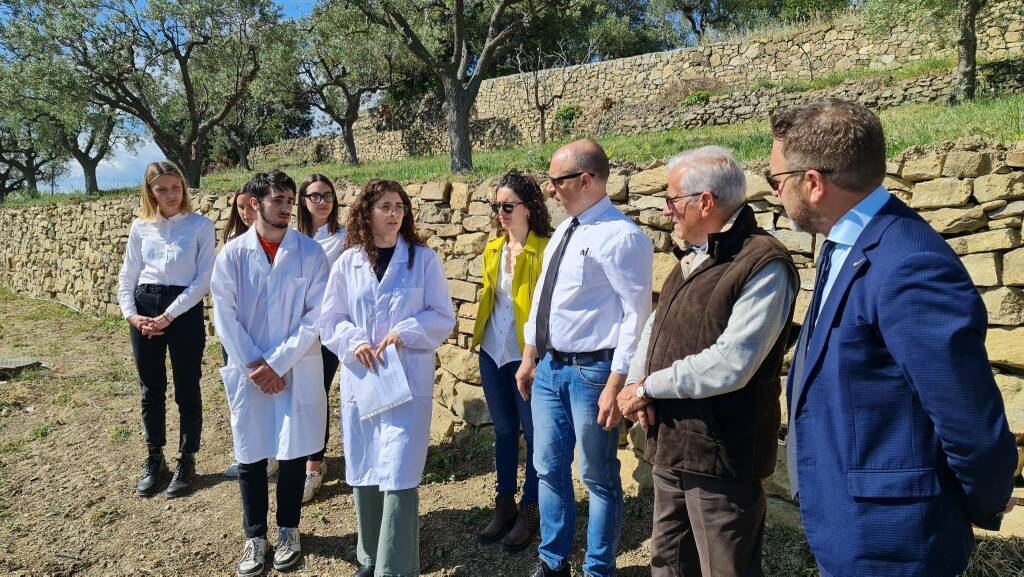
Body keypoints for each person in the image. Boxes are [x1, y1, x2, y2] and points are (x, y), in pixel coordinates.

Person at [771, 100, 1018, 577]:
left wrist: (978, 501)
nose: (776, 194)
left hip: (895, 540)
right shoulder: (847, 244)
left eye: (777, 181)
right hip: (851, 523)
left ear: (814, 184)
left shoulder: (909, 265)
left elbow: (968, 418)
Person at [615, 147, 797, 577]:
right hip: (673, 446)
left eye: (673, 199)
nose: (665, 210)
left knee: (724, 568)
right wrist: (637, 381)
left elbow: (732, 363)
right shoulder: (692, 257)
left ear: (706, 202)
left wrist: (646, 388)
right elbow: (654, 329)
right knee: (670, 563)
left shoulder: (763, 263)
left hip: (722, 456)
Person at [515, 139, 653, 577]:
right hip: (551, 368)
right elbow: (545, 297)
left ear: (586, 180)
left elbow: (636, 315)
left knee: (596, 475)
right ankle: (553, 560)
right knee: (547, 468)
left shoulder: (622, 236)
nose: (550, 189)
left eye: (557, 181)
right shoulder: (565, 229)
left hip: (593, 372)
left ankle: (597, 568)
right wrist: (530, 353)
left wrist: (617, 383)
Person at [320, 179, 456, 577]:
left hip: (405, 378)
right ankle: (368, 555)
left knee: (399, 467)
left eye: (399, 206)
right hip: (363, 377)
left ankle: (394, 565)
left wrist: (405, 332)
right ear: (367, 212)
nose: (394, 213)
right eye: (385, 206)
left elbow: (442, 315)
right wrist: (353, 339)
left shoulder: (422, 259)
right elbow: (331, 318)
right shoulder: (348, 262)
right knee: (364, 465)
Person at [210, 170, 330, 577]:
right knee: (251, 451)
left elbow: (316, 316)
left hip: (295, 369)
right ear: (255, 204)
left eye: (289, 200)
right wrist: (255, 366)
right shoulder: (232, 255)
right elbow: (224, 315)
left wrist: (276, 364)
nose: (285, 207)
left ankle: (289, 530)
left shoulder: (310, 253)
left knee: (294, 451)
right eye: (277, 200)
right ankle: (255, 535)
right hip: (249, 370)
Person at [117, 161, 215, 499]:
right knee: (150, 388)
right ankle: (154, 457)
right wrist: (132, 315)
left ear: (183, 187)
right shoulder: (140, 227)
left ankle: (187, 459)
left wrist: (169, 315)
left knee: (187, 386)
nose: (170, 195)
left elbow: (203, 278)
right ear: (150, 192)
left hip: (183, 311)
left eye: (175, 188)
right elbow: (128, 275)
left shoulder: (201, 225)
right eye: (161, 189)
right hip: (145, 307)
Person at [470, 173, 552, 551]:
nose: (500, 214)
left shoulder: (545, 250)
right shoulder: (492, 249)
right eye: (496, 207)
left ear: (529, 208)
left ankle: (530, 511)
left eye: (508, 206)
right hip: (492, 352)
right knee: (504, 431)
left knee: (534, 435)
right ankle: (504, 504)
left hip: (527, 356)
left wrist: (536, 355)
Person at [221, 183, 280, 480]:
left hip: (276, 347)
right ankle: (251, 455)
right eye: (240, 207)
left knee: (276, 404)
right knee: (244, 403)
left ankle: (272, 455)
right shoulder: (232, 243)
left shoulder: (286, 244)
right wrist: (252, 361)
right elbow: (224, 307)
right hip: (238, 339)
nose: (246, 212)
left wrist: (273, 363)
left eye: (250, 206)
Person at [296, 173, 347, 503]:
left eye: (327, 195)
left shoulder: (343, 238)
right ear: (303, 200)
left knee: (317, 393)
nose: (323, 201)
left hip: (326, 330)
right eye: (315, 196)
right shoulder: (290, 237)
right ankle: (291, 453)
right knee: (296, 393)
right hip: (295, 328)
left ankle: (315, 465)